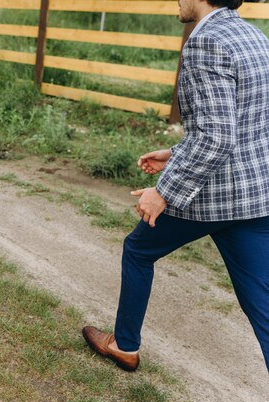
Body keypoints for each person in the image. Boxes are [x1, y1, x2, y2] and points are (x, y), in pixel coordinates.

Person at [82, 0, 269, 372]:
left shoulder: (207, 42)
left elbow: (217, 137)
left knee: (138, 250)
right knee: (264, 305)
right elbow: (243, 121)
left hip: (213, 194)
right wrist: (174, 152)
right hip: (256, 196)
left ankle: (125, 345)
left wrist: (164, 191)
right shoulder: (255, 36)